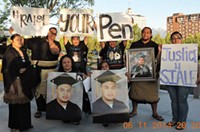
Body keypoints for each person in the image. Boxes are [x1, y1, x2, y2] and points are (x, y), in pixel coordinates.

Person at [23, 27, 61, 118]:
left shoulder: (56, 43)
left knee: (52, 91)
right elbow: (22, 42)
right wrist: (15, 32)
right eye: (51, 32)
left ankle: (51, 109)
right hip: (38, 70)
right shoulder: (35, 41)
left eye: (55, 33)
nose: (53, 34)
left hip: (52, 70)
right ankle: (39, 109)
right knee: (38, 91)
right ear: (47, 32)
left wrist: (50, 40)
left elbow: (55, 51)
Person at [128, 27, 164, 121]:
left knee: (153, 94)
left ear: (151, 34)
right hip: (136, 73)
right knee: (134, 92)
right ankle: (134, 110)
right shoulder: (134, 44)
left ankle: (155, 113)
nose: (146, 34)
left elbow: (158, 59)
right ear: (141, 33)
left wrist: (160, 51)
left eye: (148, 33)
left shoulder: (155, 45)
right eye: (144, 32)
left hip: (150, 74)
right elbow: (130, 58)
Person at [1, 34, 33, 132]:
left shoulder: (23, 51)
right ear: (12, 41)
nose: (20, 41)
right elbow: (6, 68)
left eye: (21, 39)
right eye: (17, 39)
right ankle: (15, 125)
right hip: (14, 81)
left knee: (25, 103)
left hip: (24, 80)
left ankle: (25, 124)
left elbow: (28, 63)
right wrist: (18, 70)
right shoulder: (9, 52)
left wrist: (26, 68)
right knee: (15, 104)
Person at [165, 31, 194, 130]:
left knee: (182, 101)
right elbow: (160, 62)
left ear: (181, 40)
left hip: (184, 79)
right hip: (171, 79)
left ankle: (182, 122)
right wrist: (160, 51)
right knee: (173, 100)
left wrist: (198, 76)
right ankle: (175, 120)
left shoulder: (188, 50)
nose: (175, 40)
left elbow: (195, 63)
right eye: (173, 38)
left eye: (178, 38)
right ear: (171, 40)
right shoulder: (167, 51)